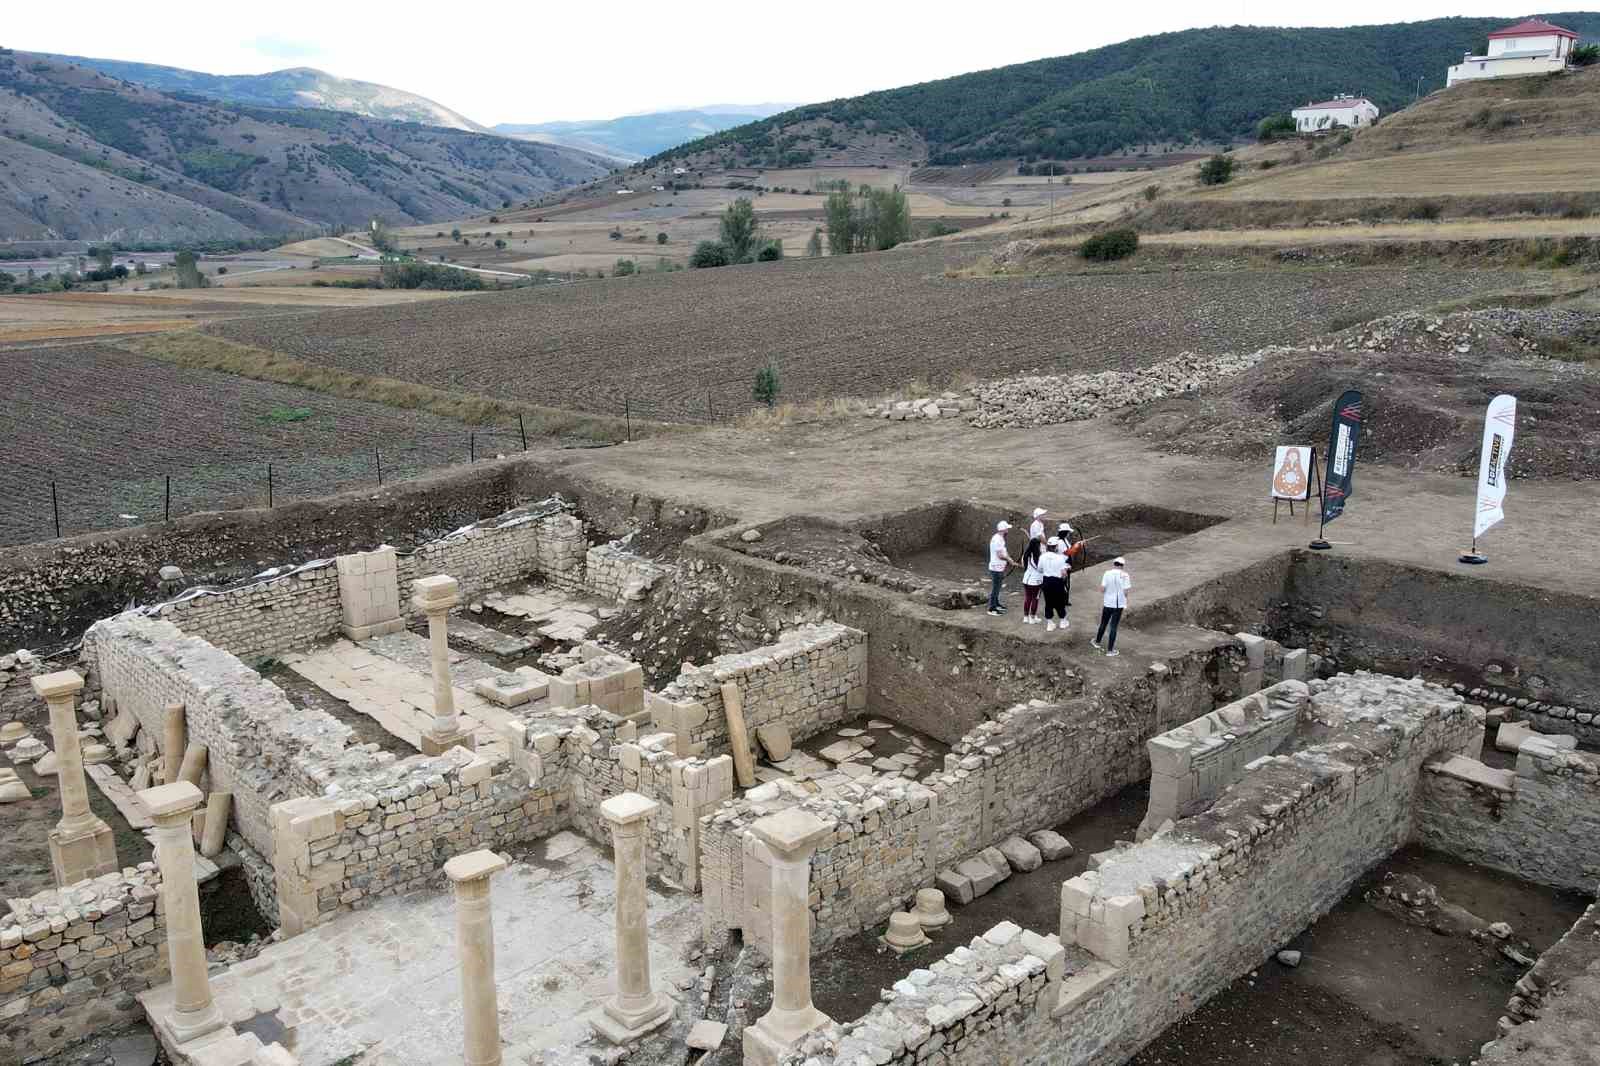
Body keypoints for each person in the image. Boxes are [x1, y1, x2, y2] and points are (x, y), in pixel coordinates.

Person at [1093, 557, 1131, 656]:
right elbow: (1126, 592)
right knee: (1113, 626)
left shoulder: (1107, 573)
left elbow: (1102, 589)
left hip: (1108, 603)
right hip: (1119, 605)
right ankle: (1110, 651)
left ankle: (1097, 642)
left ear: (1114, 564)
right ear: (1122, 565)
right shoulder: (1125, 575)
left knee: (1103, 623)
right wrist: (1124, 600)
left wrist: (1107, 592)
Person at [1040, 537, 1069, 633]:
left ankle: (1050, 623)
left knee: (1048, 602)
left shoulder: (1042, 556)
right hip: (1057, 582)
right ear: (1056, 547)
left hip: (1046, 581)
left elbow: (1039, 569)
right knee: (1060, 602)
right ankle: (1062, 622)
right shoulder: (1060, 558)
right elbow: (1064, 573)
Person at [987, 520, 1014, 616]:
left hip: (998, 567)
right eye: (1007, 528)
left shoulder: (1000, 538)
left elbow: (1003, 552)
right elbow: (1000, 555)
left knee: (997, 588)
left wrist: (1009, 558)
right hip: (996, 568)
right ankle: (992, 608)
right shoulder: (998, 539)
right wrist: (1009, 560)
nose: (1008, 530)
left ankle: (996, 604)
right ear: (1003, 530)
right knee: (996, 588)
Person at [1020, 535, 1044, 624]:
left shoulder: (1025, 555)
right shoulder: (1039, 557)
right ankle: (1032, 617)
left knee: (1027, 598)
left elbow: (1024, 566)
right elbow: (1041, 569)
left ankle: (1026, 617)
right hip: (1036, 581)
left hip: (1026, 579)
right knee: (1035, 599)